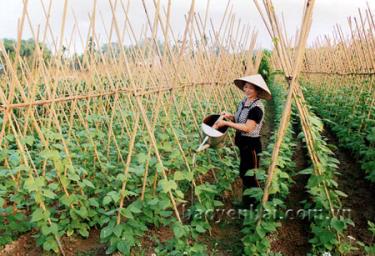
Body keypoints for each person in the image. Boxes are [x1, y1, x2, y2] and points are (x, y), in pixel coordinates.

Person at [214, 74, 272, 208]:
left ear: (257, 90)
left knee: (252, 175)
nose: (247, 90)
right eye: (246, 87)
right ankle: (247, 203)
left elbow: (247, 128)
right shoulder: (243, 102)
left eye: (251, 88)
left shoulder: (257, 108)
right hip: (242, 143)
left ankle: (257, 205)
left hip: (251, 145)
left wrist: (226, 124)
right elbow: (239, 120)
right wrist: (229, 116)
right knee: (243, 172)